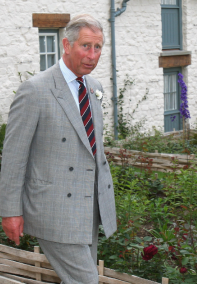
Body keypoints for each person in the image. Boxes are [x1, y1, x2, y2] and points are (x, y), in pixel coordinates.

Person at [0, 14, 117, 283]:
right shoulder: (35, 90)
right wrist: (10, 212)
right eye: (85, 46)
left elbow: (92, 151)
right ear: (66, 45)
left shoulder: (94, 87)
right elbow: (14, 157)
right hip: (53, 210)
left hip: (89, 208)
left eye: (97, 47)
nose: (92, 54)